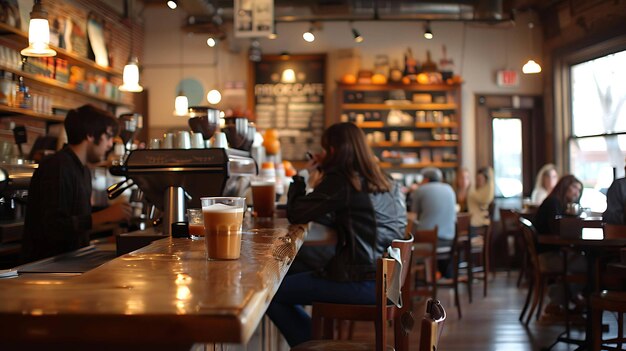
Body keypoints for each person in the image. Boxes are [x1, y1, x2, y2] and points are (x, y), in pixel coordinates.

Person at [266, 122, 407, 347]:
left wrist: (302, 175)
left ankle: (312, 345)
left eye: (326, 148)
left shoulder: (342, 180)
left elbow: (296, 213)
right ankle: (317, 342)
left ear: (334, 150)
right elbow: (354, 214)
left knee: (268, 293)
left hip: (360, 281)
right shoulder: (386, 180)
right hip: (387, 283)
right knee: (298, 270)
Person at [22, 105, 132, 263]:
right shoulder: (57, 166)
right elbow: (53, 227)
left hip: (69, 263)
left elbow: (78, 218)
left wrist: (112, 216)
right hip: (45, 270)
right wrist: (105, 215)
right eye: (108, 136)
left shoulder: (82, 169)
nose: (109, 144)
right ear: (90, 135)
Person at [531, 175, 586, 316]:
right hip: (548, 257)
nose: (576, 193)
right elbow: (556, 233)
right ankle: (563, 302)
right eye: (574, 187)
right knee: (591, 264)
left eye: (579, 190)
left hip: (548, 255)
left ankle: (564, 301)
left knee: (583, 262)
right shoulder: (553, 203)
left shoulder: (556, 203)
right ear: (564, 186)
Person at [411, 167, 456, 276]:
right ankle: (437, 274)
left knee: (407, 241)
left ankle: (416, 278)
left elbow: (413, 215)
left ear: (426, 179)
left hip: (428, 240)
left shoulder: (420, 190)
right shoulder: (449, 189)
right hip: (450, 239)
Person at [467, 167, 494, 235]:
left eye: (480, 179)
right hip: (476, 222)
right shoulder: (478, 191)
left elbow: (485, 199)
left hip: (478, 223)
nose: (478, 181)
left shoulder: (485, 192)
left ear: (485, 180)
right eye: (477, 179)